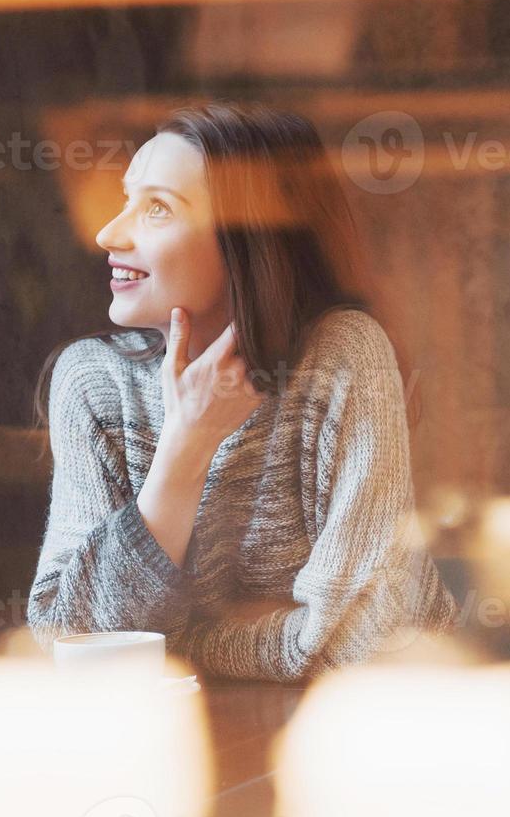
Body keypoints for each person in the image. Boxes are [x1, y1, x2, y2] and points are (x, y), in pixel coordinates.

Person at [27, 100, 455, 682]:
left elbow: (364, 640)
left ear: (244, 239)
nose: (108, 231)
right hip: (182, 746)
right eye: (127, 199)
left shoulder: (344, 360)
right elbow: (68, 636)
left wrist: (185, 645)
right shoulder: (94, 383)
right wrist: (185, 449)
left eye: (156, 208)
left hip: (364, 736)